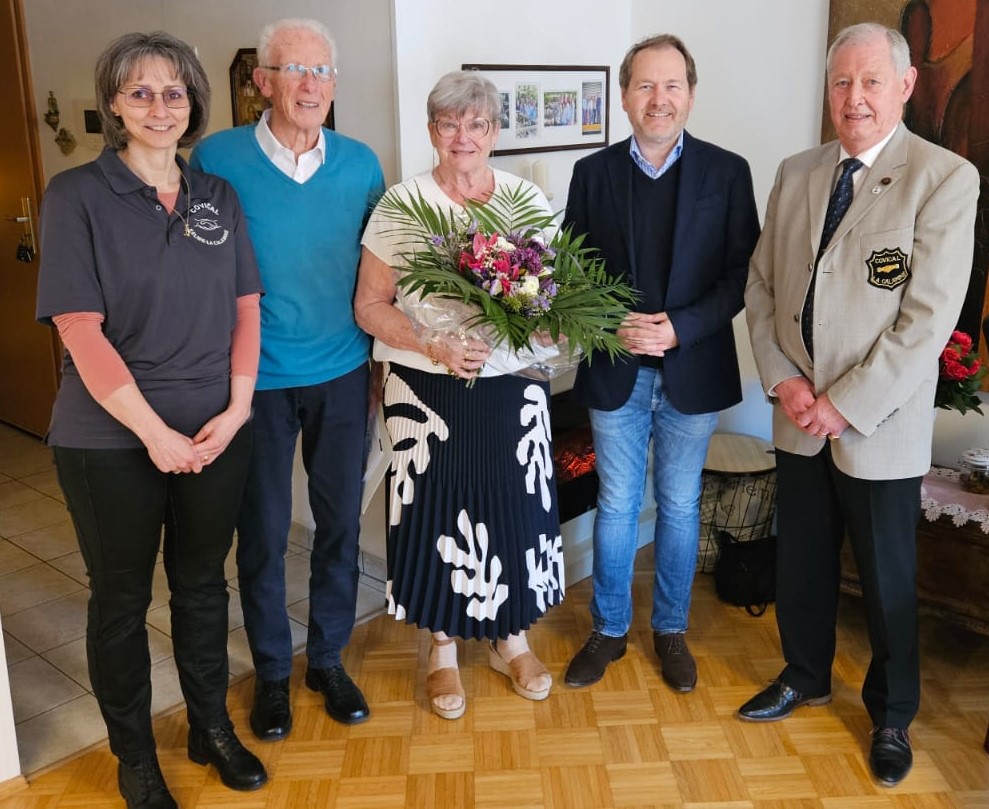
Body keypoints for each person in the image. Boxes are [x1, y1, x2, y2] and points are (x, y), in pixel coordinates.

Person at [741, 23, 979, 788]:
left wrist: (841, 404)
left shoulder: (943, 178)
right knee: (801, 561)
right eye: (841, 83)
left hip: (873, 425)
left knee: (885, 577)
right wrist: (783, 382)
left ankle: (891, 714)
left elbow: (926, 320)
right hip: (796, 411)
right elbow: (761, 289)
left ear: (905, 87)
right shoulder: (796, 169)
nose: (854, 98)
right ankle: (803, 673)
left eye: (870, 81)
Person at [35, 31, 267, 809]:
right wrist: (152, 433)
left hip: (215, 430)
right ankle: (135, 754)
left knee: (203, 586)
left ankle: (208, 726)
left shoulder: (217, 197)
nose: (159, 106)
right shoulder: (76, 196)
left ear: (192, 102)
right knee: (121, 598)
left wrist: (237, 409)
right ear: (112, 105)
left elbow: (246, 309)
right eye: (140, 92)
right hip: (107, 439)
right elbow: (79, 328)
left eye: (173, 91)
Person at [190, 18, 384, 740]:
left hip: (341, 372)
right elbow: (195, 263)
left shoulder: (361, 163)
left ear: (334, 85)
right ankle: (273, 671)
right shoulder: (217, 157)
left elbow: (381, 275)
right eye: (295, 70)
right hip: (254, 382)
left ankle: (327, 659)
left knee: (337, 526)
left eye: (322, 72)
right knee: (264, 533)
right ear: (262, 81)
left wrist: (380, 362)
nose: (311, 85)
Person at [354, 71, 565, 720]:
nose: (463, 136)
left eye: (476, 124)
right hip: (427, 386)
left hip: (512, 386)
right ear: (431, 132)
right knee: (437, 512)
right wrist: (432, 343)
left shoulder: (527, 201)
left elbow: (556, 302)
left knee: (513, 510)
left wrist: (534, 320)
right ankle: (440, 647)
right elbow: (369, 306)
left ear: (495, 132)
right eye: (449, 124)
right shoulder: (401, 204)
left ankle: (510, 639)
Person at [562, 35, 760, 693]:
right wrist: (607, 320)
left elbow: (740, 277)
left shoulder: (727, 172)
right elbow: (570, 271)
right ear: (623, 97)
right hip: (615, 365)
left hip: (692, 366)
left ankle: (670, 629)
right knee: (616, 502)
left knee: (677, 503)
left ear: (690, 94)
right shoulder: (592, 174)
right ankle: (609, 630)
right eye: (645, 86)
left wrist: (679, 327)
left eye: (671, 85)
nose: (659, 98)